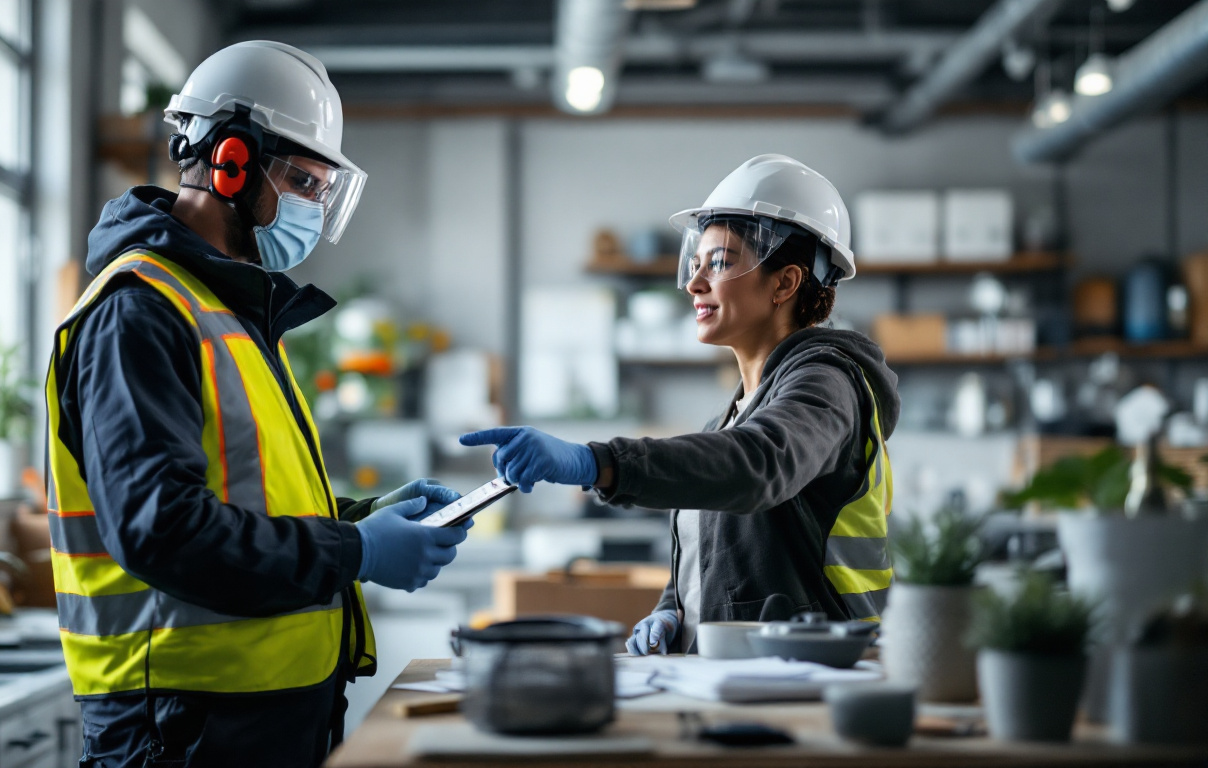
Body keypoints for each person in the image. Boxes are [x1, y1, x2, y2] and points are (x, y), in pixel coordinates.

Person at [44, 41, 468, 767]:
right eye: (302, 180)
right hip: (179, 729)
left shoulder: (228, 312)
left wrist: (362, 518)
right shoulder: (139, 312)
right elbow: (162, 529)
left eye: (322, 189)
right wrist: (359, 551)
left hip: (253, 720)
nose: (311, 207)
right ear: (231, 161)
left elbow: (246, 499)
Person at [461, 154, 898, 655]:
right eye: (695, 264)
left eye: (720, 262)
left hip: (820, 673)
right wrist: (676, 608)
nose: (694, 284)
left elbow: (760, 465)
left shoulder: (828, 384)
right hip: (744, 673)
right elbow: (721, 549)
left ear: (784, 282)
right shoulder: (730, 421)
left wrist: (596, 462)